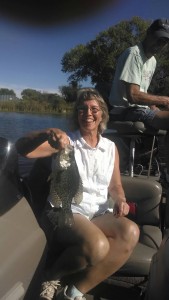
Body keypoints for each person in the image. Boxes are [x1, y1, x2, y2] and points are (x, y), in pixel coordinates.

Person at [15, 88, 139, 300]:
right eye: (81, 109)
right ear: (76, 115)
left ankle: (74, 292)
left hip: (97, 213)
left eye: (93, 108)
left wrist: (120, 200)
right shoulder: (65, 142)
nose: (87, 113)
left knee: (131, 232)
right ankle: (51, 275)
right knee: (98, 246)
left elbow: (115, 186)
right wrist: (46, 133)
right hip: (64, 211)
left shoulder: (111, 148)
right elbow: (23, 149)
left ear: (102, 114)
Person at [109, 18, 169, 184]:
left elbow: (141, 92)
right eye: (158, 38)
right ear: (148, 33)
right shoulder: (134, 54)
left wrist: (153, 105)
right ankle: (166, 175)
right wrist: (164, 99)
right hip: (122, 110)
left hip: (138, 109)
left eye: (164, 41)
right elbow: (133, 96)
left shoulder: (153, 61)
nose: (160, 43)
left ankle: (163, 171)